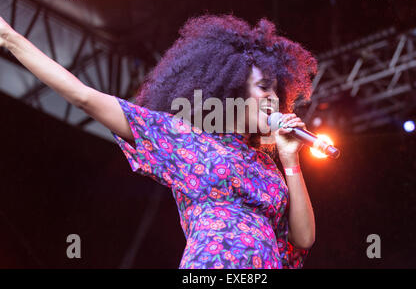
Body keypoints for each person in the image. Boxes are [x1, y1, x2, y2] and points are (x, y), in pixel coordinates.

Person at [0, 14, 316, 269]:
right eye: (263, 87)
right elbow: (85, 98)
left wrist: (290, 159)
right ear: (233, 88)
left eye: (277, 91)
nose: (272, 98)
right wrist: (10, 38)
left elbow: (302, 240)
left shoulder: (266, 167)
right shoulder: (187, 140)